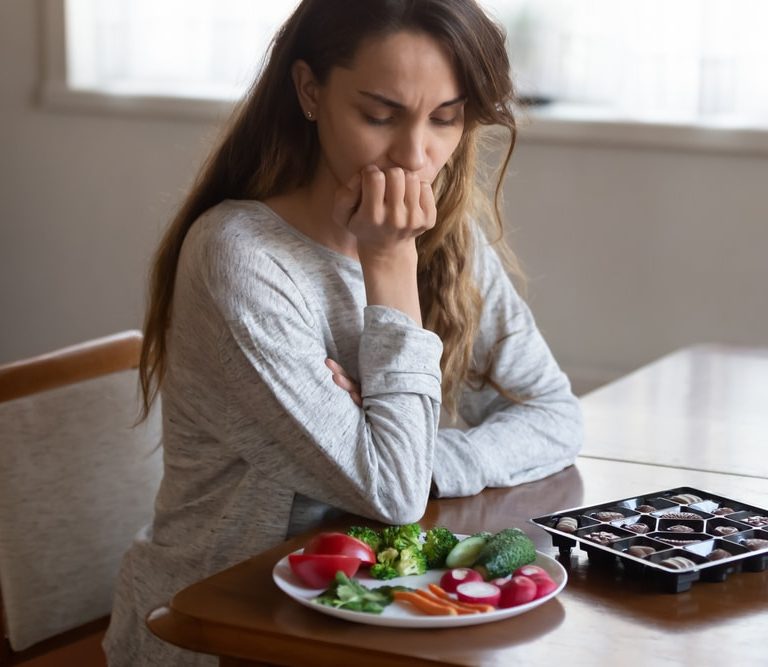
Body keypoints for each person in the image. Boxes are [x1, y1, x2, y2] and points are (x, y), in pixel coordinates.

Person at [104, 0, 583, 664]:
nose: (417, 156)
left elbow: (555, 414)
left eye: (445, 119)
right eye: (379, 115)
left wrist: (423, 457)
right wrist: (389, 264)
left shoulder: (449, 238)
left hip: (379, 614)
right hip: (221, 630)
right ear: (309, 91)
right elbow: (391, 494)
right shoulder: (240, 257)